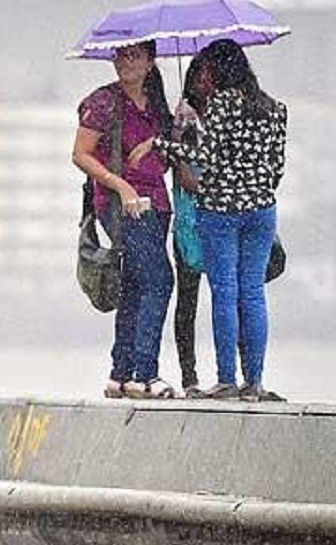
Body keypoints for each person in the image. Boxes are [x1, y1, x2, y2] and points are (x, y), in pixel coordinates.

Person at [130, 38, 287, 401]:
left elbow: (206, 157)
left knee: (225, 292)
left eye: (207, 69)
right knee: (253, 293)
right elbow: (277, 167)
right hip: (262, 211)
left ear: (218, 70)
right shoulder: (274, 107)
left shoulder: (222, 103)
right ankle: (254, 382)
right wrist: (254, 188)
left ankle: (227, 379)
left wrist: (159, 144)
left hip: (220, 211)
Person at [72, 39, 178, 399]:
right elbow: (81, 154)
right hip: (120, 205)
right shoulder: (103, 101)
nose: (125, 62)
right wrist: (121, 186)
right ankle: (145, 374)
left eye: (134, 55)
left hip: (156, 204)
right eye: (120, 55)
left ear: (150, 62)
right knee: (160, 281)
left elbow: (163, 163)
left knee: (135, 285)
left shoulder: (157, 105)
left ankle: (120, 373)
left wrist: (170, 135)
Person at [172, 52, 213, 397]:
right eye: (200, 77)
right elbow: (184, 176)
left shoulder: (222, 119)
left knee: (226, 299)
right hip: (189, 224)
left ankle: (231, 374)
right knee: (187, 303)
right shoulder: (183, 122)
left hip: (218, 220)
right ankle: (190, 379)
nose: (206, 84)